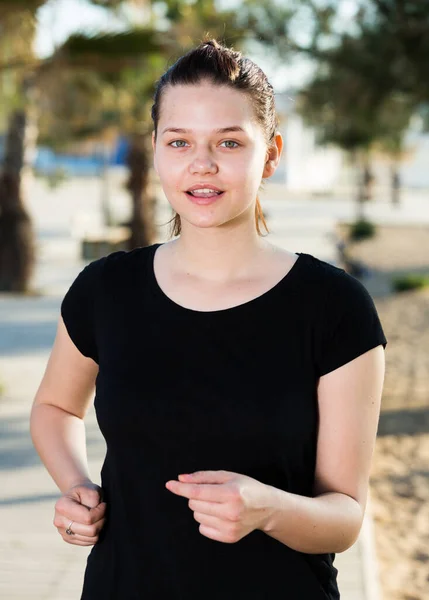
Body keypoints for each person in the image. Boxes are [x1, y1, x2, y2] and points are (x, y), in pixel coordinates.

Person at [30, 38, 387, 599]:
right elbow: (54, 407)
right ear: (155, 149)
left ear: (270, 154)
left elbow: (345, 518)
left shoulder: (334, 307)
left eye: (229, 141)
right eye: (179, 141)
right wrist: (77, 487)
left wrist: (266, 508)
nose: (202, 164)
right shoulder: (106, 290)